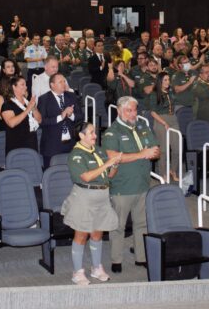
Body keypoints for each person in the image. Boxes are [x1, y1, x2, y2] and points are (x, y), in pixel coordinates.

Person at [102, 96, 159, 273]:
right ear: (119, 111)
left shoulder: (142, 127)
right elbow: (113, 157)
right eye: (129, 110)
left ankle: (141, 257)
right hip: (122, 187)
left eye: (135, 110)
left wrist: (152, 153)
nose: (133, 114)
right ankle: (116, 260)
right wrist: (143, 154)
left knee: (141, 224)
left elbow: (156, 151)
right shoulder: (112, 132)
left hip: (142, 184)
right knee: (118, 226)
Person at [62, 122, 121, 285]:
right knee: (81, 234)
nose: (95, 135)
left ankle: (96, 268)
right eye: (91, 133)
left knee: (97, 234)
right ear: (81, 136)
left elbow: (109, 175)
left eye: (94, 132)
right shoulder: (76, 155)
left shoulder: (99, 151)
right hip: (84, 197)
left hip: (102, 196)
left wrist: (114, 164)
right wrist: (107, 164)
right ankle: (77, 272)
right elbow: (86, 177)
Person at [37, 73, 82, 167]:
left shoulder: (71, 96)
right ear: (52, 85)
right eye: (60, 82)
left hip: (70, 144)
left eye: (64, 81)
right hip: (52, 145)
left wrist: (71, 115)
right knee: (52, 175)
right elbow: (42, 121)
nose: (64, 84)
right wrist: (60, 117)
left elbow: (80, 116)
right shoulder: (43, 99)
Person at [147, 72, 178, 181]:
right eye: (165, 80)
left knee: (177, 148)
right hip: (160, 120)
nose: (168, 82)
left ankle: (173, 170)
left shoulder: (170, 91)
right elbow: (153, 112)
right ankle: (163, 173)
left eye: (168, 79)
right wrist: (164, 123)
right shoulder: (154, 94)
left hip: (173, 119)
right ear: (160, 81)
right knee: (164, 150)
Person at [0, 75, 41, 154]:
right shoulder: (7, 105)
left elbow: (39, 120)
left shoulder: (28, 102)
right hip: (16, 144)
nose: (25, 87)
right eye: (22, 85)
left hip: (31, 142)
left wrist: (34, 108)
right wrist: (28, 109)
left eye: (25, 85)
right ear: (14, 87)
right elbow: (11, 123)